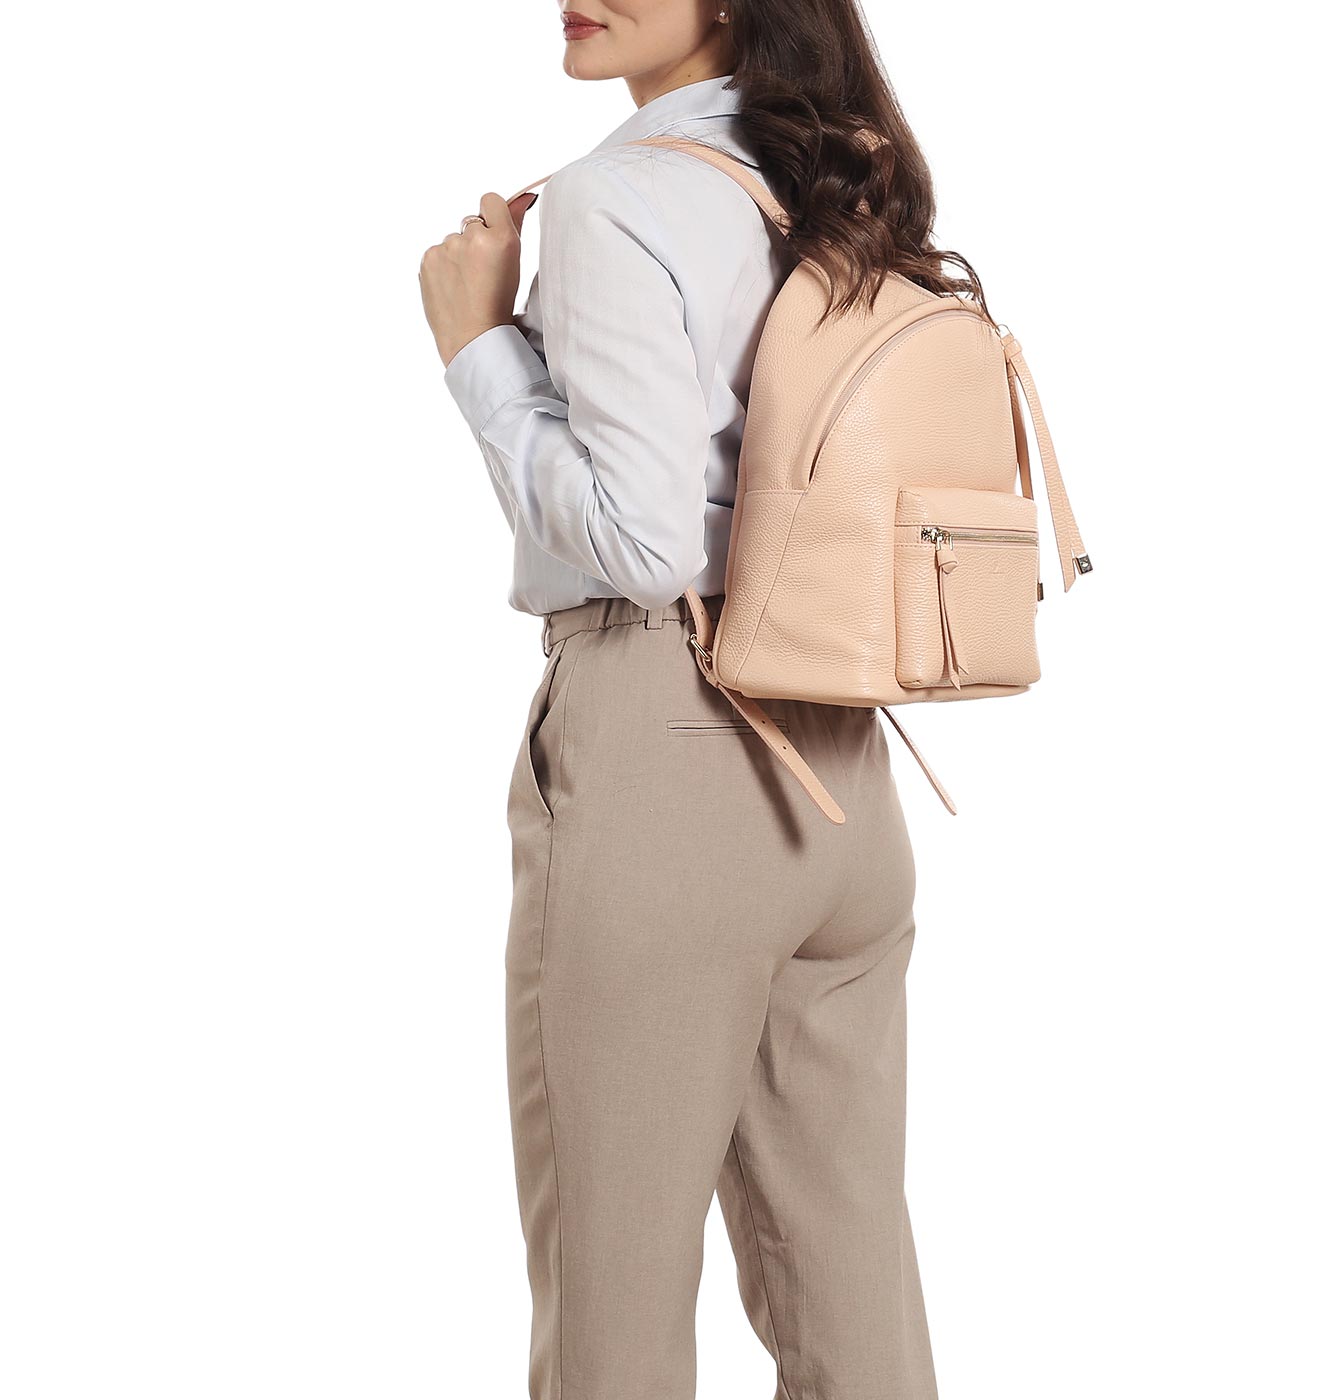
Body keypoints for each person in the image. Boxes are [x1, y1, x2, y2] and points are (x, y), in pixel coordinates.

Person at [418, 3, 986, 1395]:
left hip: (665, 755)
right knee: (853, 1314)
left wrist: (477, 345)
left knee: (611, 1318)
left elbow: (645, 542)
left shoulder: (618, 197)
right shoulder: (838, 188)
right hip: (843, 773)